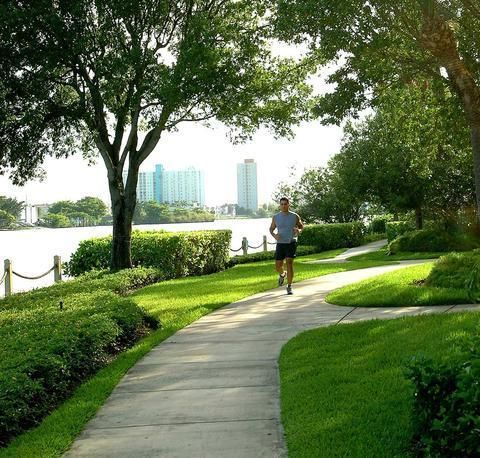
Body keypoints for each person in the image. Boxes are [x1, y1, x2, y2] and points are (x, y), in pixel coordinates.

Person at [269, 197, 304, 295]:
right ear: (280, 205)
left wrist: (299, 231)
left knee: (289, 263)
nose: (284, 206)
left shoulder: (295, 216)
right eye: (282, 204)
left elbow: (301, 226)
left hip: (291, 242)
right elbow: (271, 229)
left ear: (289, 205)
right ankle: (282, 274)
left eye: (285, 204)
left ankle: (289, 286)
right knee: (278, 266)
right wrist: (274, 235)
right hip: (280, 243)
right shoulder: (276, 217)